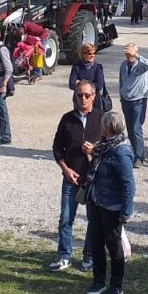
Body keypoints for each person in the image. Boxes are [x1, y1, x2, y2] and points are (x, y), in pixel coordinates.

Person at [49, 82, 103, 273]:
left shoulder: (102, 119)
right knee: (65, 219)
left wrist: (95, 149)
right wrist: (65, 169)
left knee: (93, 221)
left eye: (87, 95)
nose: (83, 99)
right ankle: (64, 256)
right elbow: (57, 148)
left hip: (93, 180)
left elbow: (112, 147)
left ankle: (88, 256)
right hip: (71, 178)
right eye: (79, 95)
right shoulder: (67, 119)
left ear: (94, 96)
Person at [83, 111, 136, 294]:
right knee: (96, 243)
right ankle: (98, 282)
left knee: (114, 247)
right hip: (97, 202)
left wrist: (126, 212)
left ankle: (116, 285)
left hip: (112, 207)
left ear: (106, 128)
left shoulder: (121, 152)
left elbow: (128, 185)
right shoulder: (103, 146)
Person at [69, 43, 109, 112]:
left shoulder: (98, 67)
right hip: (79, 101)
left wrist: (80, 84)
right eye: (90, 54)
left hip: (95, 102)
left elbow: (99, 85)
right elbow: (71, 84)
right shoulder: (76, 66)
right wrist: (92, 84)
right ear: (83, 54)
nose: (92, 55)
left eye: (94, 53)